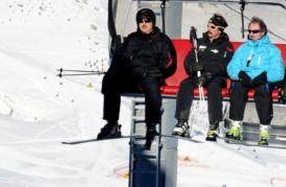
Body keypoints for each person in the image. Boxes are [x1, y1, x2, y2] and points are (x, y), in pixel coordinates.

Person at [98, 8, 177, 148]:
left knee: (152, 85)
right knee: (111, 80)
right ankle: (112, 124)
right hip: (133, 76)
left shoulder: (162, 40)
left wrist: (155, 71)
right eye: (140, 21)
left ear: (153, 22)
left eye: (147, 20)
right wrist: (118, 70)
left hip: (150, 76)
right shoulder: (132, 39)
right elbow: (120, 58)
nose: (144, 23)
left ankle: (151, 126)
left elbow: (170, 63)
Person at [172, 14, 234, 141]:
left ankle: (214, 123)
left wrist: (208, 72)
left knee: (214, 87)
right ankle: (182, 121)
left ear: (220, 30)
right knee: (185, 84)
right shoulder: (199, 43)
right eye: (208, 26)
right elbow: (188, 60)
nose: (209, 29)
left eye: (213, 27)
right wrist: (193, 68)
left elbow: (224, 65)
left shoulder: (226, 46)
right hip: (198, 76)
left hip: (215, 77)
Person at [226, 17, 285, 146]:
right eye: (250, 31)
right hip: (245, 78)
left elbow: (279, 72)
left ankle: (264, 128)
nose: (251, 34)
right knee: (237, 89)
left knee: (263, 92)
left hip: (262, 79)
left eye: (255, 31)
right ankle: (235, 125)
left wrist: (264, 76)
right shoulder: (243, 49)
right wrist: (240, 74)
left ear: (263, 32)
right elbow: (232, 67)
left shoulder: (272, 51)